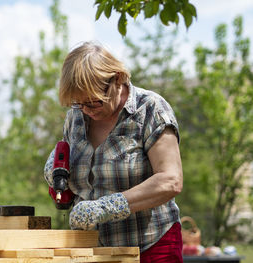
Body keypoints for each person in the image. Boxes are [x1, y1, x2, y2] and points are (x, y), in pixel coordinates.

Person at [44, 41, 183, 263]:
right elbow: (72, 175)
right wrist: (58, 176)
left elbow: (170, 180)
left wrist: (107, 207)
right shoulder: (76, 116)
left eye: (94, 102)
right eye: (79, 104)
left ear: (118, 78)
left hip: (149, 246)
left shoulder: (150, 109)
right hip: (91, 250)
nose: (87, 110)